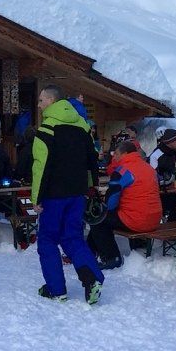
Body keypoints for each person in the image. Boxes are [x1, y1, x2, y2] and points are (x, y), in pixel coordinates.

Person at [30, 85, 105, 305]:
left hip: (53, 195)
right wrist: (91, 188)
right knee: (72, 237)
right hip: (78, 193)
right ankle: (92, 278)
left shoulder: (46, 129)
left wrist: (36, 198)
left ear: (52, 101)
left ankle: (56, 290)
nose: (39, 105)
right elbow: (92, 161)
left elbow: (40, 167)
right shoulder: (83, 127)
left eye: (41, 100)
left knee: (47, 240)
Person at [89, 137, 163, 268]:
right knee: (105, 218)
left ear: (125, 153)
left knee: (98, 219)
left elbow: (111, 202)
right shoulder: (148, 168)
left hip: (136, 220)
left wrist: (105, 209)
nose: (114, 156)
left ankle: (112, 258)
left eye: (116, 153)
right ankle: (89, 251)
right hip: (155, 219)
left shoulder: (122, 171)